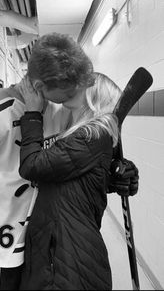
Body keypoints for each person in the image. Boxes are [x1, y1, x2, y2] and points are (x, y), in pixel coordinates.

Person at [0, 33, 138, 291]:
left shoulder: (65, 109)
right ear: (40, 85)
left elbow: (78, 162)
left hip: (46, 245)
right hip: (3, 244)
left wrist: (113, 173)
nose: (80, 91)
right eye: (72, 87)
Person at [17, 72, 138, 290]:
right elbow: (81, 176)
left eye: (80, 85)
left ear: (93, 96)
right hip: (65, 247)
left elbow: (32, 166)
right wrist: (117, 173)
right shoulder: (92, 136)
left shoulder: (89, 136)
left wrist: (32, 113)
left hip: (66, 255)